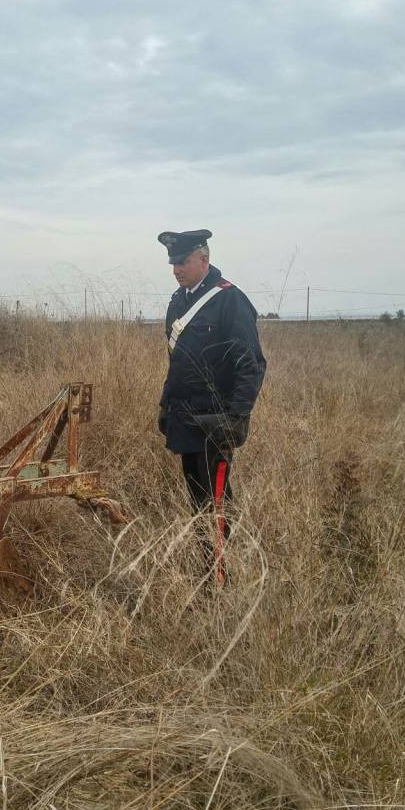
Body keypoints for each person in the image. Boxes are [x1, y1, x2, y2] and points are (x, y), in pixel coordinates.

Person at [157, 229, 266, 567]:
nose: (176, 269)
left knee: (216, 504)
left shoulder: (229, 300)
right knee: (198, 503)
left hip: (215, 425)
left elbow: (251, 364)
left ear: (204, 259)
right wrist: (165, 405)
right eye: (173, 262)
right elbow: (178, 362)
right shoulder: (179, 300)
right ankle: (206, 564)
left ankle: (216, 582)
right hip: (185, 421)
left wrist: (236, 417)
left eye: (184, 261)